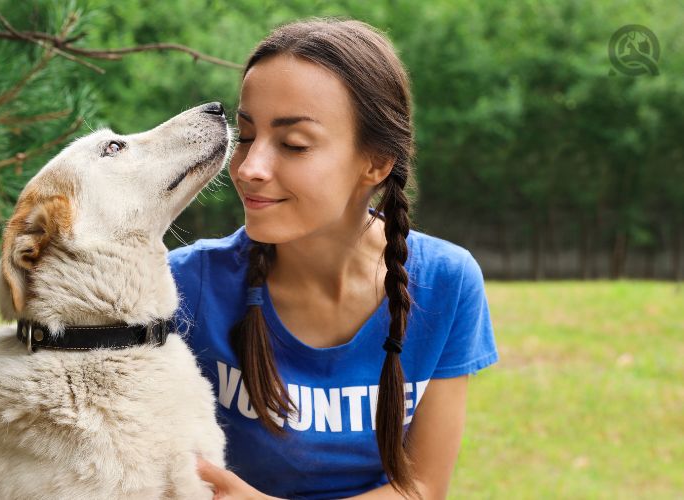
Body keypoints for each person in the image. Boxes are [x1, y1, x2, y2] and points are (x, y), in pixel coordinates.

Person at [167, 18, 499, 500]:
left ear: (376, 163)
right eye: (245, 135)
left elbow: (422, 486)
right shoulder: (184, 286)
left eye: (293, 144)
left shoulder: (446, 282)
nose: (249, 168)